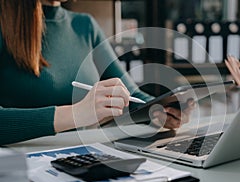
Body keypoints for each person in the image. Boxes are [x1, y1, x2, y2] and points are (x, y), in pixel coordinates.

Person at [0, 0, 193, 145]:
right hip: (21, 166)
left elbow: (131, 95)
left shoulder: (85, 26)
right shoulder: (4, 25)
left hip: (80, 155)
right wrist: (77, 113)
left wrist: (161, 111)